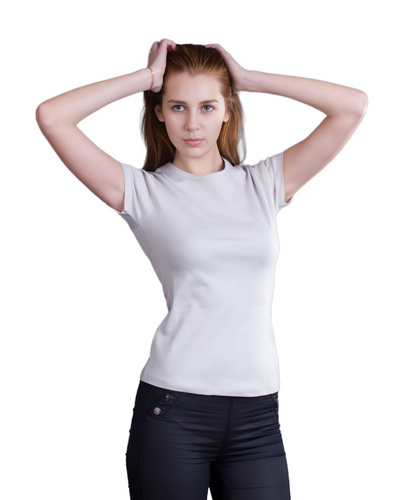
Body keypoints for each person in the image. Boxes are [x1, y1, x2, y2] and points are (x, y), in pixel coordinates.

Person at [36, 38, 368, 500]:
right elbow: (52, 116)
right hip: (174, 411)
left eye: (208, 106)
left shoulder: (264, 183)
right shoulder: (141, 191)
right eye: (177, 107)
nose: (193, 124)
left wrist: (247, 79)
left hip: (257, 416)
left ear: (228, 111)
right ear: (159, 112)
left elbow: (352, 106)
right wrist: (146, 79)